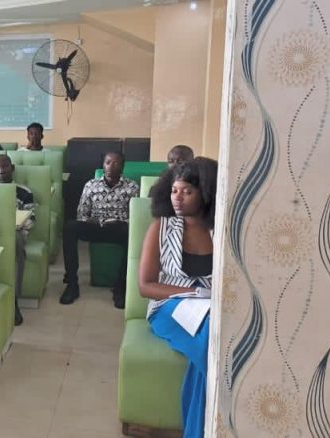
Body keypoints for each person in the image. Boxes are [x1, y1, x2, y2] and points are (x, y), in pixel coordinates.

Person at [138, 157, 218, 438]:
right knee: (212, 339)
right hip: (168, 307)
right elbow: (145, 286)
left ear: (205, 194)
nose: (178, 198)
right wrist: (193, 293)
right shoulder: (162, 227)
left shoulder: (220, 230)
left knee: (206, 355)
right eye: (174, 190)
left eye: (187, 192)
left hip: (212, 308)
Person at [60, 151, 139, 307]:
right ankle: (72, 284)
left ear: (122, 167)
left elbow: (136, 216)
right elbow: (81, 213)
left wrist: (123, 222)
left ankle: (120, 287)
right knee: (70, 227)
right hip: (95, 227)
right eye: (108, 162)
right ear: (103, 165)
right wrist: (89, 220)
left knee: (133, 234)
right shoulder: (91, 185)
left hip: (118, 229)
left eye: (116, 163)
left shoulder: (132, 187)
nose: (111, 166)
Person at [0, 154, 34, 326]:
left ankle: (13, 301)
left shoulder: (24, 191)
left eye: (5, 167)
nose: (1, 171)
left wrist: (17, 227)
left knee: (15, 243)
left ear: (13, 168)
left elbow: (31, 219)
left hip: (15, 232)